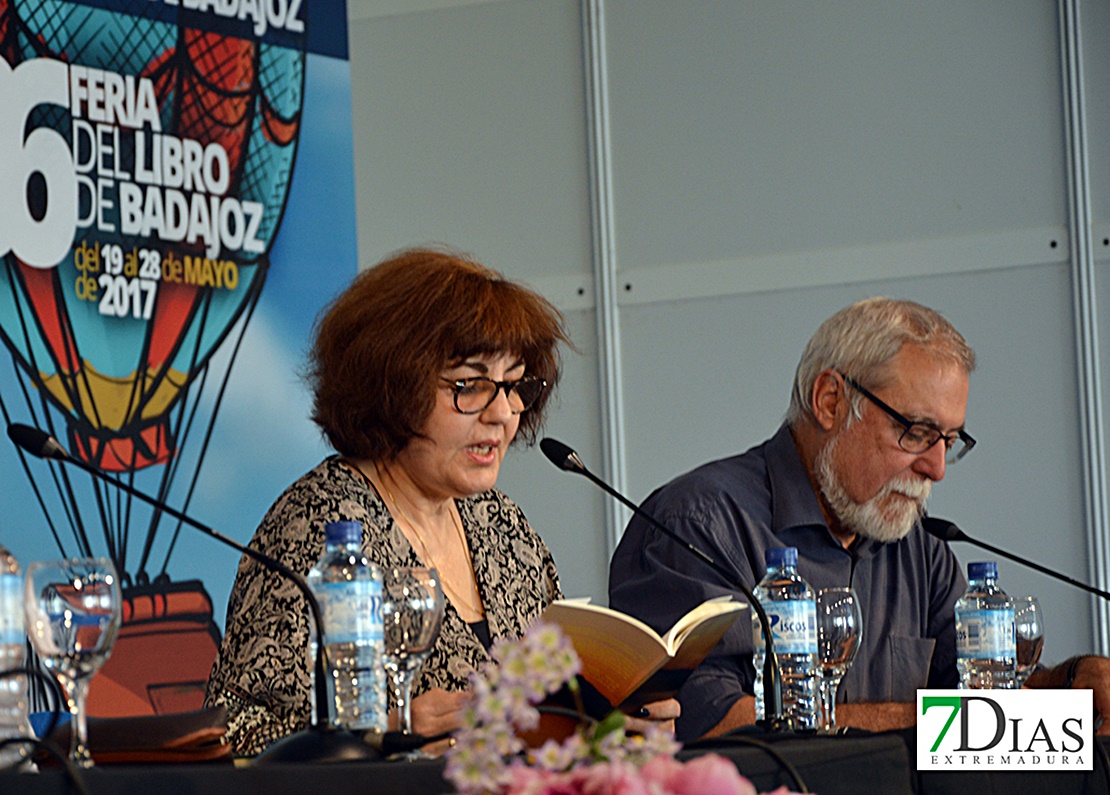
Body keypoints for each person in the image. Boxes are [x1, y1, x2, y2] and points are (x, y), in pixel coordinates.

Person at [205, 248, 678, 756]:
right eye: (471, 386)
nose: (503, 413)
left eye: (514, 385)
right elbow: (233, 733)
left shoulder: (500, 524)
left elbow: (548, 709)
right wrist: (384, 733)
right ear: (392, 385)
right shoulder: (317, 528)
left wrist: (611, 724)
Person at [608, 296, 1110, 742]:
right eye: (916, 432)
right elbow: (700, 725)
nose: (935, 468)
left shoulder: (920, 546)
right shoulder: (698, 524)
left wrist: (1075, 686)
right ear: (831, 401)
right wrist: (930, 723)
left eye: (949, 442)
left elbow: (990, 698)